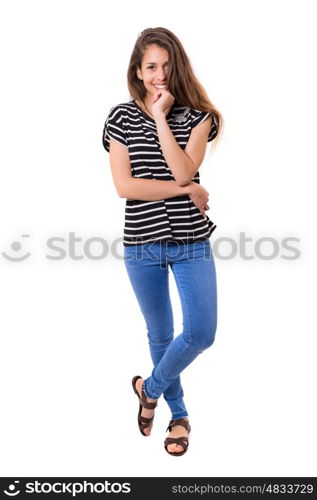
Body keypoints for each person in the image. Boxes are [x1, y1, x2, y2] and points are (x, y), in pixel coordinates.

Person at [102, 27, 223, 456]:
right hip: (142, 243)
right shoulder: (119, 117)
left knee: (201, 332)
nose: (160, 75)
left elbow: (182, 172)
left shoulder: (199, 117)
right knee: (161, 333)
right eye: (151, 66)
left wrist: (159, 118)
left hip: (191, 241)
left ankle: (148, 390)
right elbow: (124, 186)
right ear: (138, 70)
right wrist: (185, 191)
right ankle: (180, 415)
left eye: (167, 67)